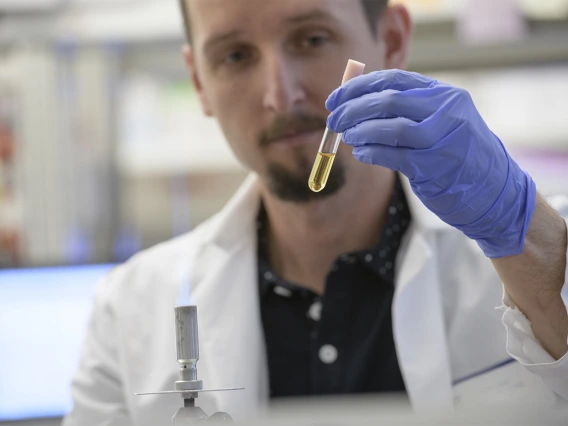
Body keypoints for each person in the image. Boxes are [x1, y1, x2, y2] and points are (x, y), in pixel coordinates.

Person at [62, 1, 568, 425]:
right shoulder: (127, 311)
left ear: (391, 40)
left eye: (311, 39)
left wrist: (532, 244)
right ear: (198, 81)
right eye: (235, 55)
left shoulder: (537, 247)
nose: (279, 95)